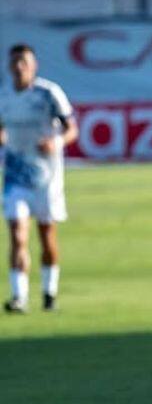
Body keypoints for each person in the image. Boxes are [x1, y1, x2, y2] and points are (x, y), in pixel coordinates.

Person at [0, 44, 78, 313]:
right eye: (15, 61)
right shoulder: (3, 96)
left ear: (34, 66)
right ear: (9, 66)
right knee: (17, 235)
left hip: (47, 178)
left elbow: (72, 130)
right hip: (15, 177)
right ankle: (19, 297)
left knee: (46, 237)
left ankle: (49, 293)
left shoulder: (49, 93)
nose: (19, 66)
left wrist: (56, 142)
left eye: (24, 61)